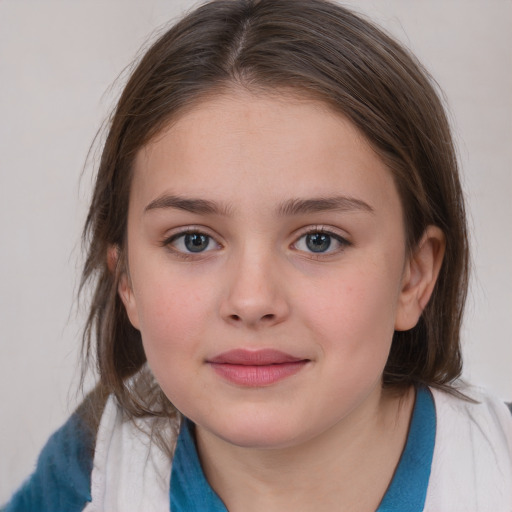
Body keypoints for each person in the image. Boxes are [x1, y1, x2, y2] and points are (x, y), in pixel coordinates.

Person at [3, 0, 512, 510]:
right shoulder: (90, 470)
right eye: (193, 240)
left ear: (413, 277)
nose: (251, 301)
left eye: (319, 239)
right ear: (128, 281)